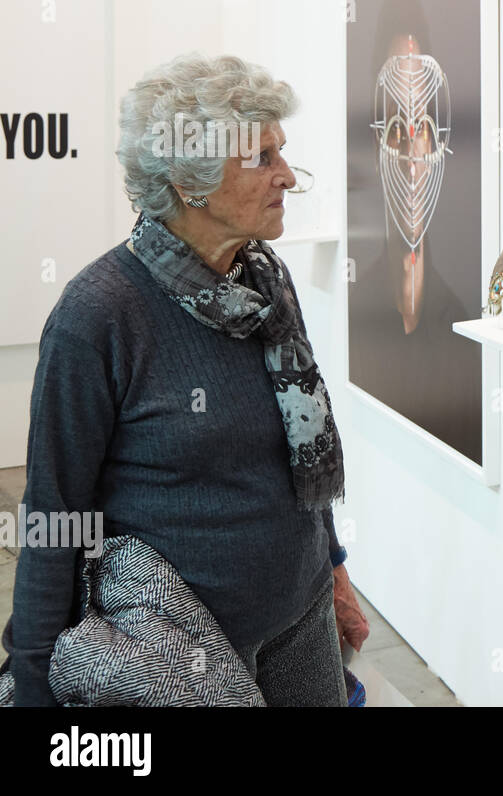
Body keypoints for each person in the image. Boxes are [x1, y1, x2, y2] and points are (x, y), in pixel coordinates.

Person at [1, 53, 369, 705]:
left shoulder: (264, 280)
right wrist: (32, 681)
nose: (288, 177)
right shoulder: (98, 317)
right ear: (189, 179)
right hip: (179, 653)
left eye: (284, 152)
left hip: (301, 616)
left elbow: (297, 442)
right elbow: (53, 516)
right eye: (261, 158)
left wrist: (335, 571)